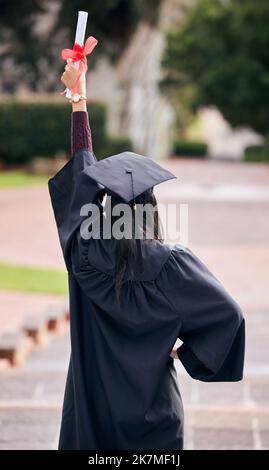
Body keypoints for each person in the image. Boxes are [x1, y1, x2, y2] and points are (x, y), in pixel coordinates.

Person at [48, 62, 245, 450]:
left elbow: (81, 179)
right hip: (154, 421)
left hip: (92, 417)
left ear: (101, 212)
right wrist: (187, 354)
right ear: (150, 210)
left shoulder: (83, 256)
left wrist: (79, 100)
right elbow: (230, 317)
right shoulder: (173, 268)